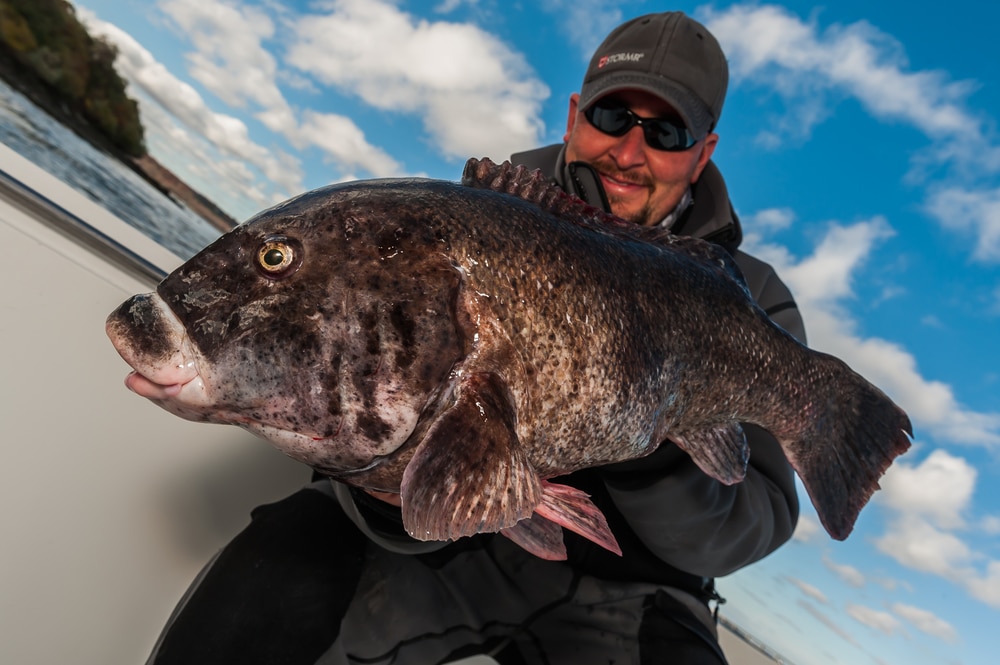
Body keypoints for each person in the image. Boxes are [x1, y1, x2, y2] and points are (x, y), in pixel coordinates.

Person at [147, 12, 804, 665]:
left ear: (704, 152)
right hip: (460, 549)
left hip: (640, 586)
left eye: (665, 131)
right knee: (276, 579)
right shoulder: (464, 222)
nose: (628, 153)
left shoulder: (750, 299)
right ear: (576, 114)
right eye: (611, 117)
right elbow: (359, 392)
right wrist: (390, 486)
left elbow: (757, 517)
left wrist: (655, 441)